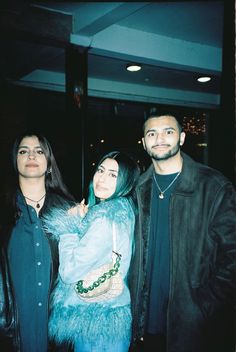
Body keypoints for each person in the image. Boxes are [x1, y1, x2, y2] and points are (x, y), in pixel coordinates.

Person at [129, 109, 236, 352]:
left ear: (182, 138)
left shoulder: (213, 186)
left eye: (168, 132)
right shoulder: (137, 189)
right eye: (152, 133)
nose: (160, 139)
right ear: (144, 143)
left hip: (191, 327)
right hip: (144, 323)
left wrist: (202, 306)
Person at [42, 151, 140, 352]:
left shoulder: (104, 219)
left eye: (113, 175)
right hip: (112, 315)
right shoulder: (126, 211)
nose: (102, 179)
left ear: (126, 181)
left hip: (93, 323)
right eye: (101, 170)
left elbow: (69, 272)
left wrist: (69, 227)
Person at [0, 131, 75, 352]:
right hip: (11, 332)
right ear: (15, 161)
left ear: (49, 163)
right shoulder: (2, 212)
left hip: (56, 335)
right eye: (24, 151)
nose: (31, 155)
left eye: (39, 151)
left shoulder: (68, 212)